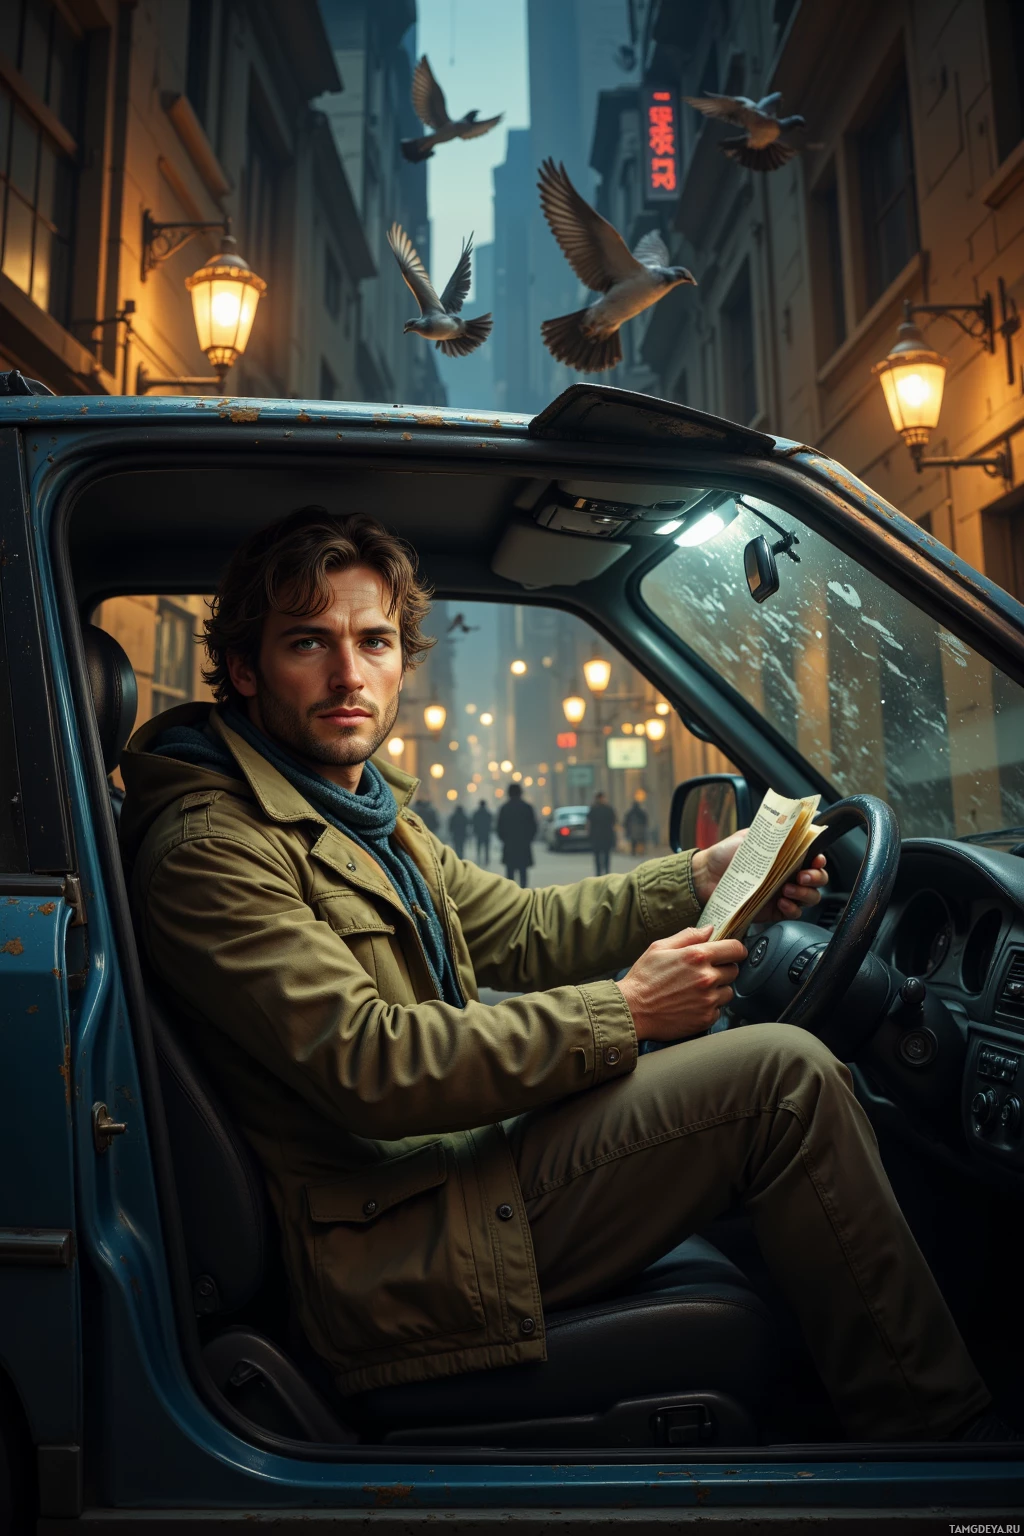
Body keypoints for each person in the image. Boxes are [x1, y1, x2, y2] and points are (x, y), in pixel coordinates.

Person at [120, 506, 1000, 1439]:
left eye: (374, 641)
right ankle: (942, 1444)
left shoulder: (359, 813)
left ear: (400, 658)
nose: (350, 675)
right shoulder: (211, 847)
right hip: (396, 1245)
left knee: (773, 1075)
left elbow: (527, 928)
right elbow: (370, 1065)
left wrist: (700, 878)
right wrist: (627, 1010)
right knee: (782, 1079)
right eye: (309, 642)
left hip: (449, 1175)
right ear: (248, 668)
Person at [496, 781, 537, 886]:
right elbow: (533, 826)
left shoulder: (504, 808)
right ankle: (524, 897)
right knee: (523, 873)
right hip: (523, 845)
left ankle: (513, 898)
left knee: (510, 874)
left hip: (510, 845)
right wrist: (529, 839)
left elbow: (499, 828)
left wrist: (505, 839)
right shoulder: (527, 807)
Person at [586, 790, 617, 876]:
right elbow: (614, 822)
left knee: (597, 855)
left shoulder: (593, 809)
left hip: (596, 836)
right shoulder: (608, 809)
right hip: (607, 835)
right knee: (606, 854)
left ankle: (599, 872)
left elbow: (588, 823)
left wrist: (589, 835)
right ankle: (606, 871)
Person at [471, 799, 493, 864]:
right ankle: (486, 860)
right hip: (486, 833)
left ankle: (479, 858)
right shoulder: (488, 813)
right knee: (486, 848)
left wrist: (475, 831)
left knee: (479, 847)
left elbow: (473, 822)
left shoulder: (476, 813)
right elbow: (491, 822)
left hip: (479, 833)